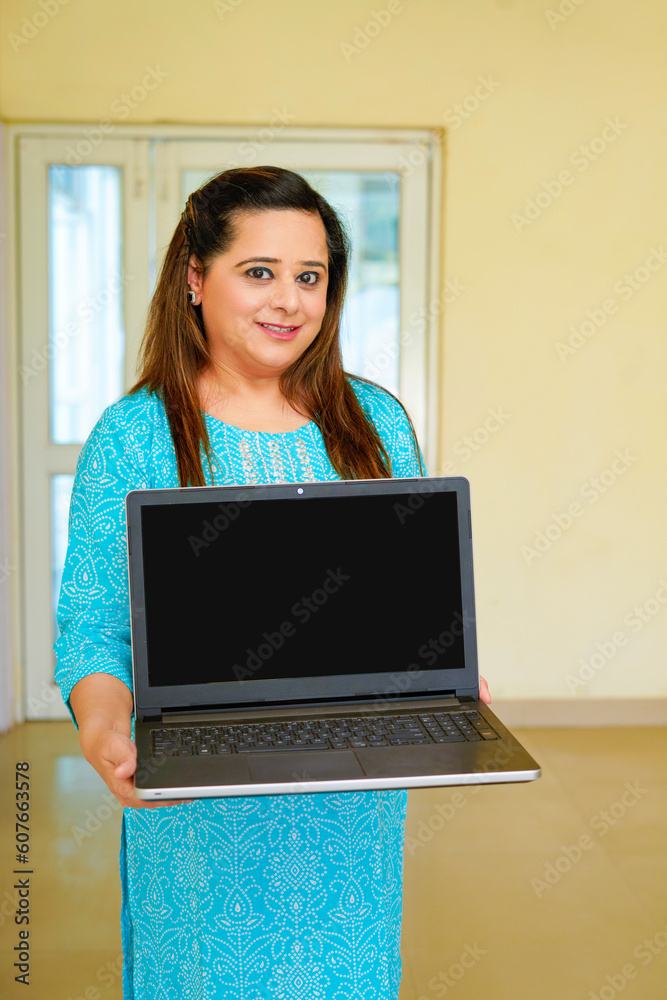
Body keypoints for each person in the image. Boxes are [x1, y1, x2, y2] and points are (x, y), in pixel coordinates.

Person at [55, 165, 491, 998]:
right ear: (195, 277)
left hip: (350, 808)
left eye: (310, 277)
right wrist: (103, 730)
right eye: (259, 272)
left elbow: (414, 602)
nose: (287, 301)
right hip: (196, 814)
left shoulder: (375, 423)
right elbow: (93, 628)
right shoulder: (134, 435)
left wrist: (446, 674)